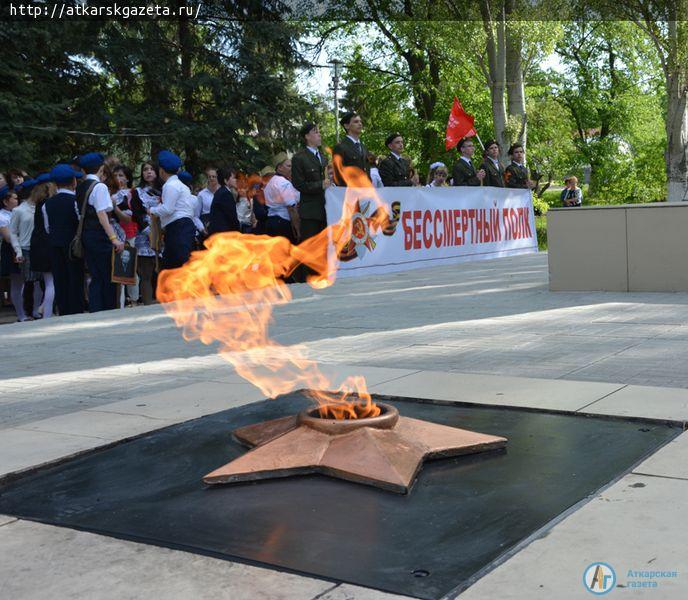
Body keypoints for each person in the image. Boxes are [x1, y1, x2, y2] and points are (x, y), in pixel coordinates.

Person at [78, 152, 124, 312]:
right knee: (107, 275)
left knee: (95, 275)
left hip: (86, 234)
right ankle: (107, 309)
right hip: (99, 235)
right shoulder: (99, 187)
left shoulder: (81, 186)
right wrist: (114, 238)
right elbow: (102, 214)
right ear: (101, 168)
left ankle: (96, 308)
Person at [42, 164, 85, 315]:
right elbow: (80, 221)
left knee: (59, 279)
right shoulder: (75, 201)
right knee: (75, 277)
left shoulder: (47, 204)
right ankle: (76, 308)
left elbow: (47, 227)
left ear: (54, 184)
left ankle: (63, 309)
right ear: (74, 181)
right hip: (73, 245)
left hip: (54, 244)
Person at [149, 150, 196, 270]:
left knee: (177, 267)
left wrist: (153, 210)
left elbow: (168, 209)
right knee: (174, 265)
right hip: (182, 228)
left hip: (178, 228)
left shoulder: (170, 186)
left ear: (161, 171)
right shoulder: (180, 185)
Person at [9, 180, 44, 320]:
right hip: (26, 248)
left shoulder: (41, 207)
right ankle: (26, 312)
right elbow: (13, 232)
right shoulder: (19, 210)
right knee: (29, 281)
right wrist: (17, 250)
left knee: (41, 281)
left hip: (40, 248)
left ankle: (37, 309)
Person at [130, 162, 162, 305]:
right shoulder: (136, 192)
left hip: (164, 233)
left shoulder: (165, 189)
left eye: (151, 169)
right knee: (146, 272)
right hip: (144, 235)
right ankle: (148, 304)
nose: (148, 172)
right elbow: (136, 214)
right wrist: (149, 232)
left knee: (163, 271)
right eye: (145, 170)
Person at [292, 123, 329, 244]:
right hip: (310, 212)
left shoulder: (323, 158)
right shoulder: (299, 158)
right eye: (316, 132)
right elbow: (298, 184)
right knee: (311, 249)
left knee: (325, 248)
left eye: (319, 131)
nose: (319, 134)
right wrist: (320, 185)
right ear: (307, 136)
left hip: (326, 209)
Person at [29, 174, 56, 318]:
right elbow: (49, 227)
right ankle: (47, 312)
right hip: (47, 244)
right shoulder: (48, 204)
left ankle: (44, 307)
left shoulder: (38, 203)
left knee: (47, 281)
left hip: (37, 244)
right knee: (51, 283)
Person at [112, 164, 139, 306]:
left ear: (127, 178)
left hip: (129, 234)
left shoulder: (132, 193)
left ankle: (134, 300)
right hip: (113, 235)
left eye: (121, 175)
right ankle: (119, 303)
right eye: (115, 176)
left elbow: (130, 217)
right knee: (116, 269)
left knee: (130, 267)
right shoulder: (110, 193)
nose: (118, 178)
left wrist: (115, 207)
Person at [0, 187, 28, 320]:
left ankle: (30, 310)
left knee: (29, 281)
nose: (18, 200)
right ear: (5, 201)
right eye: (15, 198)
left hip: (23, 246)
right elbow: (7, 237)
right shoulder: (2, 216)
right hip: (11, 250)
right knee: (17, 281)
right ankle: (21, 314)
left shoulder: (18, 212)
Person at [264, 152, 300, 243]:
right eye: (288, 166)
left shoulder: (271, 182)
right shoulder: (283, 183)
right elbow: (291, 208)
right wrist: (298, 229)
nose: (291, 169)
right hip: (282, 224)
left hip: (271, 222)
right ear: (279, 167)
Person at [332, 112, 369, 186]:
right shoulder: (340, 147)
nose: (360, 124)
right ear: (346, 126)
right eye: (356, 122)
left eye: (360, 121)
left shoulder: (363, 147)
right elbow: (338, 175)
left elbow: (367, 170)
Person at [207, 165, 240, 236]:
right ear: (226, 180)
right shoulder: (225, 194)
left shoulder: (220, 192)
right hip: (223, 234)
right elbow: (232, 217)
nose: (236, 180)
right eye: (233, 178)